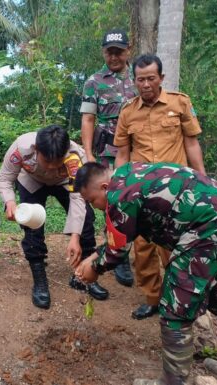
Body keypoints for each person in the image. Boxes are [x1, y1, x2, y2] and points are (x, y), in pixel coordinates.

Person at [73, 162, 217, 385]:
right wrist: (96, 255)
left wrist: (94, 268)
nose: (96, 207)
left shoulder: (119, 195)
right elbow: (118, 236)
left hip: (209, 232)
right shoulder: (130, 174)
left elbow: (116, 252)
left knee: (174, 308)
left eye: (92, 201)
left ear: (103, 187)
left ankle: (174, 382)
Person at [113, 54, 206, 320]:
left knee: (176, 245)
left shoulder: (180, 103)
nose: (145, 84)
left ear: (161, 78)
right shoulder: (128, 112)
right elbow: (122, 152)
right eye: (140, 79)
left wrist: (202, 179)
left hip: (176, 193)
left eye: (151, 78)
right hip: (142, 193)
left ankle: (180, 297)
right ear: (134, 81)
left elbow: (191, 143)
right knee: (143, 247)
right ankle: (152, 298)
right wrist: (120, 187)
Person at [0, 125, 109, 309]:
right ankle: (39, 279)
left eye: (56, 162)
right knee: (32, 227)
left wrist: (75, 236)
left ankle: (83, 275)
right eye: (46, 160)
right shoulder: (21, 149)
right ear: (36, 150)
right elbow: (5, 178)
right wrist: (9, 202)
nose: (50, 166)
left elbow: (78, 198)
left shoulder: (75, 157)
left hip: (64, 182)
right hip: (32, 181)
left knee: (86, 220)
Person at [80, 28, 137, 288]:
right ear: (104, 52)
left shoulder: (140, 77)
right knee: (112, 202)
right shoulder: (93, 81)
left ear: (128, 50)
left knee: (136, 199)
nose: (114, 57)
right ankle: (120, 255)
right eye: (109, 52)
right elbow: (88, 119)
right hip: (107, 155)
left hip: (138, 151)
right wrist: (89, 154)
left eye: (119, 51)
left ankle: (140, 251)